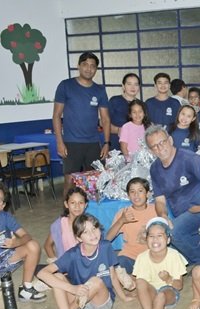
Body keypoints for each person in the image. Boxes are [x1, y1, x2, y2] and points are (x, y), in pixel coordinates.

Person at [37, 214, 128, 309]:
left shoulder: (105, 247)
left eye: (94, 228)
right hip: (79, 302)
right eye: (86, 232)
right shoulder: (72, 254)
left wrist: (124, 297)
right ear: (79, 238)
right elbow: (42, 273)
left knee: (96, 281)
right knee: (58, 277)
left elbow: (113, 275)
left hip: (101, 304)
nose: (92, 234)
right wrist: (72, 288)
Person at [146, 125, 200, 264]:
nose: (160, 148)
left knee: (173, 233)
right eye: (154, 146)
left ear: (170, 140)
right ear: (150, 150)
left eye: (162, 142)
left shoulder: (190, 158)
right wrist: (163, 216)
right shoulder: (154, 168)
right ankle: (198, 256)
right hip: (180, 215)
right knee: (166, 244)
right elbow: (160, 200)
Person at [53, 51, 110, 197]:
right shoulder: (65, 86)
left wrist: (106, 143)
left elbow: (105, 119)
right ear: (78, 66)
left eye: (92, 66)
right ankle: (67, 210)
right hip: (71, 143)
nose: (88, 68)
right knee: (69, 182)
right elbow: (57, 116)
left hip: (93, 143)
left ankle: (92, 210)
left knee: (95, 182)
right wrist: (59, 142)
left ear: (96, 69)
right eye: (85, 64)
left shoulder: (100, 90)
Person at [134, 217, 187, 309]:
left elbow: (179, 286)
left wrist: (168, 279)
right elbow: (142, 285)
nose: (155, 240)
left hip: (169, 292)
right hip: (153, 291)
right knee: (140, 281)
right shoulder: (142, 257)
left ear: (168, 239)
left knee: (161, 295)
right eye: (151, 236)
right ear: (146, 239)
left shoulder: (174, 256)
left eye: (159, 236)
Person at [105, 177, 157, 277]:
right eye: (132, 192)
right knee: (117, 269)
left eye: (140, 191)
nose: (136, 195)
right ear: (128, 196)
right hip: (130, 256)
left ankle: (137, 279)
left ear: (147, 194)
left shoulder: (155, 210)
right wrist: (121, 221)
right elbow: (108, 238)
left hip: (152, 256)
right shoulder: (124, 213)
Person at [44, 187, 88, 263]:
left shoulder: (90, 223)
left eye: (81, 203)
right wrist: (57, 264)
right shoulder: (59, 224)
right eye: (73, 203)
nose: (77, 206)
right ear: (66, 204)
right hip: (67, 265)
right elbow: (47, 245)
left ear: (85, 205)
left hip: (86, 264)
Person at [109, 73, 140, 151]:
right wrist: (118, 130)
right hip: (116, 146)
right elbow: (103, 123)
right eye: (129, 84)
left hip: (135, 147)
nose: (133, 87)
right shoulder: (114, 101)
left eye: (136, 84)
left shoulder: (141, 105)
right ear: (123, 86)